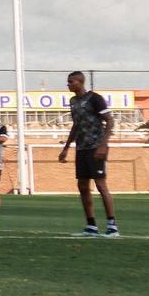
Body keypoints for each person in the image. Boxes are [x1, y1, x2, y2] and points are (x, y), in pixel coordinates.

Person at [56, 71, 119, 237]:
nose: (68, 84)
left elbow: (110, 120)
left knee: (100, 185)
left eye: (71, 81)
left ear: (80, 82)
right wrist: (66, 148)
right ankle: (91, 226)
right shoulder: (73, 101)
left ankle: (112, 226)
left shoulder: (94, 98)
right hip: (81, 148)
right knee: (83, 186)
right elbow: (76, 125)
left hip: (95, 148)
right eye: (68, 82)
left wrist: (103, 145)